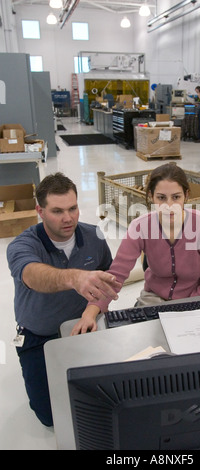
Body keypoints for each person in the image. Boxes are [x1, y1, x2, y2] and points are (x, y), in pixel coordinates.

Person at [7, 172, 121, 427]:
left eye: (73, 208)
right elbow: (32, 275)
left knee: (112, 398)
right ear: (40, 211)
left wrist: (92, 310)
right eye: (57, 211)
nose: (68, 218)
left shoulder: (95, 236)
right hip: (38, 336)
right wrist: (74, 278)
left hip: (84, 329)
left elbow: (108, 279)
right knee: (49, 417)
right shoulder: (22, 245)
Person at [71, 163, 200, 336]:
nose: (169, 205)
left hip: (196, 300)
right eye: (161, 198)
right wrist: (91, 311)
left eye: (176, 197)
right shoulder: (140, 227)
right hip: (153, 301)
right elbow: (117, 275)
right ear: (151, 196)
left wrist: (182, 308)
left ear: (186, 196)